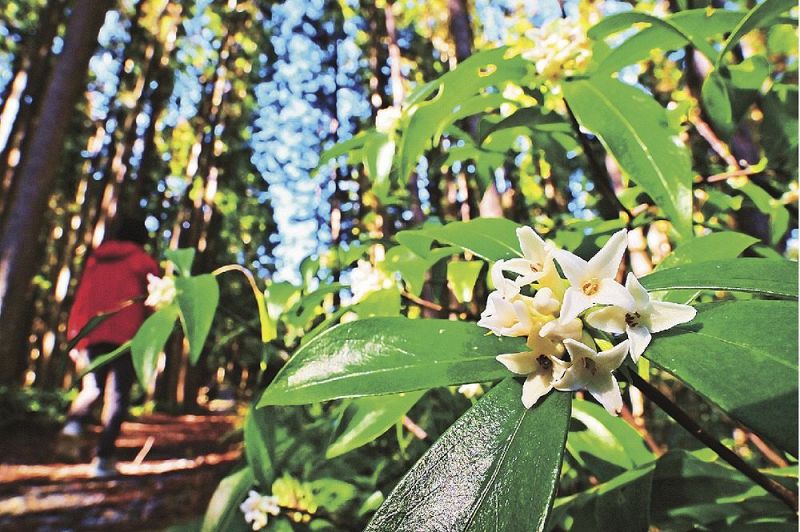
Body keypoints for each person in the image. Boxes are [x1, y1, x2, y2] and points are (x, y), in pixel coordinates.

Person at [60, 215, 159, 477]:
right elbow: (157, 296)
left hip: (93, 333)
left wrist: (75, 335)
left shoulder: (96, 260)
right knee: (117, 397)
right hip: (128, 338)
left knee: (92, 387)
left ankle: (73, 424)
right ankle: (103, 460)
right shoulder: (142, 261)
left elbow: (82, 298)